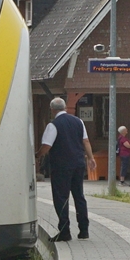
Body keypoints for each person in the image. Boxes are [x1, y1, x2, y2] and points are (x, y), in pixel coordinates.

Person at [37, 97, 94, 241]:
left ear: (52, 109)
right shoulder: (79, 122)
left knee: (61, 198)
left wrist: (37, 155)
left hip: (61, 166)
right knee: (79, 196)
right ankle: (84, 230)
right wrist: (91, 158)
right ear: (64, 108)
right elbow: (85, 141)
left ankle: (64, 231)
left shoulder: (53, 125)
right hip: (78, 164)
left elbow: (47, 146)